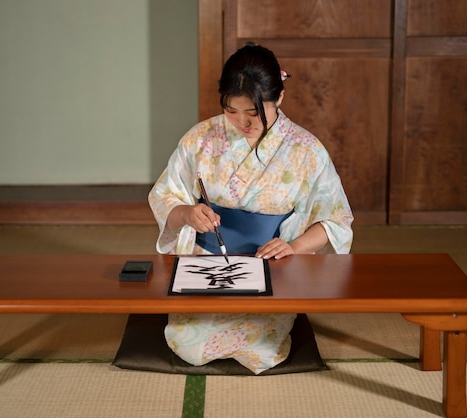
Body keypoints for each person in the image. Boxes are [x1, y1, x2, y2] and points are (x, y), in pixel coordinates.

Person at [148, 43, 353, 374]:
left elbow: (336, 219)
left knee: (264, 346)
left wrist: (294, 246)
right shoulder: (200, 138)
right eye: (231, 110)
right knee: (188, 341)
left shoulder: (306, 150)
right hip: (207, 263)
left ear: (280, 97)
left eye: (254, 112)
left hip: (273, 265)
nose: (242, 122)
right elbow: (164, 195)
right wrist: (188, 214)